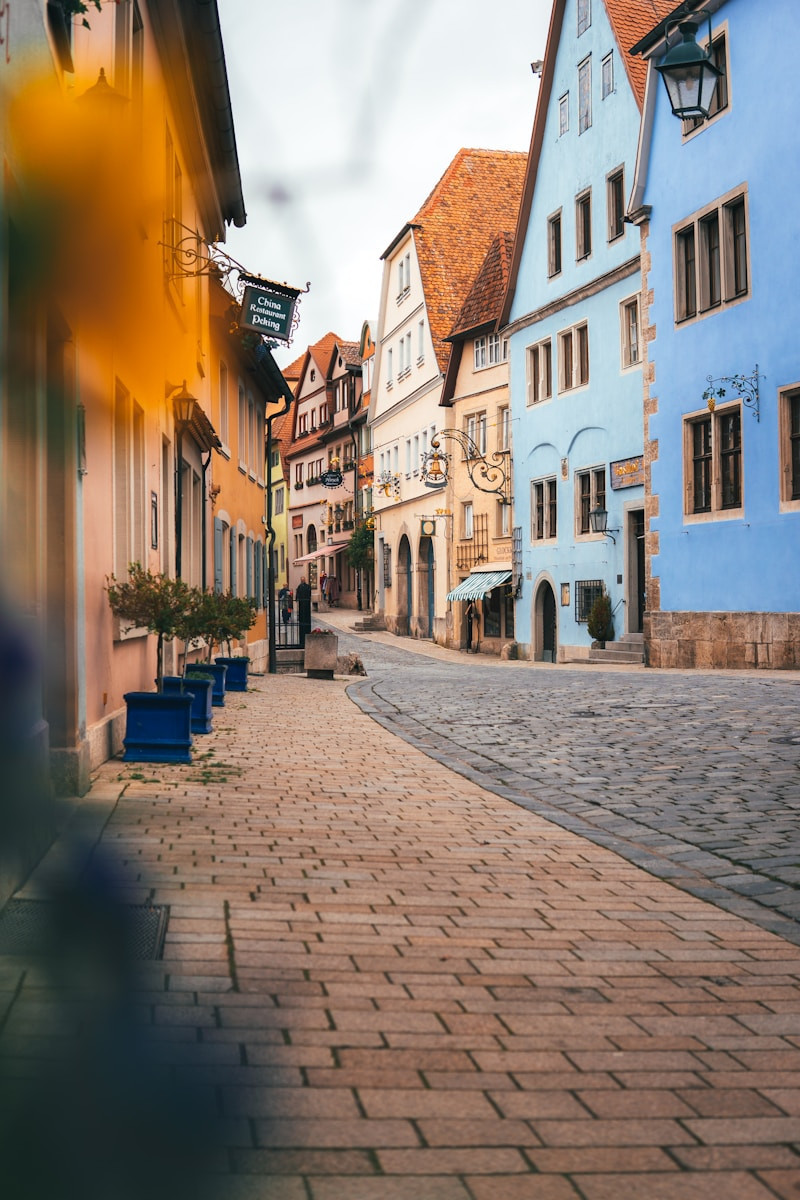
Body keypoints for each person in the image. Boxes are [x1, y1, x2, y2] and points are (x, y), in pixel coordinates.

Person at [296, 575, 312, 645]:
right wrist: (297, 599)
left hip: (305, 602)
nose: (302, 581)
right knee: (302, 615)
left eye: (303, 580)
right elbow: (298, 594)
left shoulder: (307, 586)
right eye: (302, 580)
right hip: (302, 603)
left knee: (306, 616)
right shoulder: (299, 587)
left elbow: (309, 593)